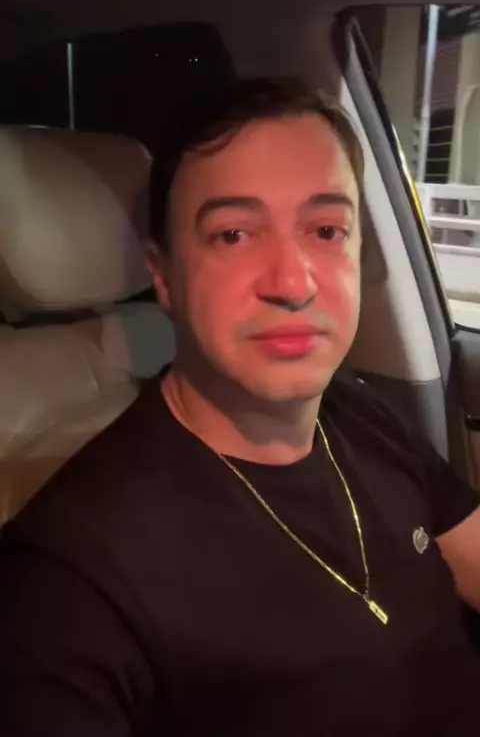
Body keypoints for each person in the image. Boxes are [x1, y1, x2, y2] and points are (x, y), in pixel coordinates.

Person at [1, 77, 480, 737]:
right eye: (233, 235)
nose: (293, 281)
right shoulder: (65, 579)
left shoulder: (362, 415)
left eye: (326, 229)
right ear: (164, 276)